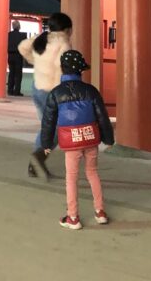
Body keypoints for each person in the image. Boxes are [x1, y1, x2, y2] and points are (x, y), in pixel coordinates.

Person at [41, 49, 114, 230]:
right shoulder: (91, 91)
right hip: (90, 138)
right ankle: (100, 212)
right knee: (92, 173)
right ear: (80, 70)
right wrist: (109, 139)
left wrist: (47, 143)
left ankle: (73, 217)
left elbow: (48, 121)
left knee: (71, 178)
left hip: (70, 141)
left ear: (63, 70)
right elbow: (102, 117)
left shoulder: (56, 94)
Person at [18, 11, 72, 179]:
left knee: (47, 127)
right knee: (56, 130)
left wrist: (36, 62)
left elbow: (22, 47)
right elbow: (62, 68)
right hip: (52, 92)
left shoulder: (42, 39)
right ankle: (38, 157)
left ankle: (34, 166)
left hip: (37, 88)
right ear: (67, 29)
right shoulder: (64, 45)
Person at [7, 19, 25, 96]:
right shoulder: (22, 36)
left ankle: (10, 90)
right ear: (19, 27)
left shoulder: (8, 35)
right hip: (18, 56)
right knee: (18, 74)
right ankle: (16, 91)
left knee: (11, 73)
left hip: (10, 56)